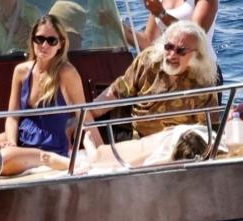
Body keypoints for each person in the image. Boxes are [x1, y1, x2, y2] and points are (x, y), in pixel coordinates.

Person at [83, 20, 219, 142]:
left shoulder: (203, 82)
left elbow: (207, 131)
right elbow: (118, 91)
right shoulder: (148, 61)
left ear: (196, 54)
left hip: (179, 145)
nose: (172, 55)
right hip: (138, 138)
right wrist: (87, 113)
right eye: (169, 47)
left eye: (181, 51)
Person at [0, 14, 88, 175]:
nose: (44, 45)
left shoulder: (66, 72)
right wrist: (12, 142)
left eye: (51, 41)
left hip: (49, 144)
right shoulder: (21, 71)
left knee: (2, 160)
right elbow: (12, 117)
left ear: (61, 44)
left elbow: (85, 116)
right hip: (21, 138)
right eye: (39, 39)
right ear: (32, 40)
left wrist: (100, 150)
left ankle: (52, 159)